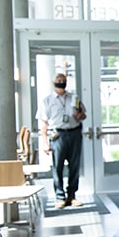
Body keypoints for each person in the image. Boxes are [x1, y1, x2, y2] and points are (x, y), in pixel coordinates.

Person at [37, 73, 87, 208]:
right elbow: (44, 124)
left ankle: (72, 195)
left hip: (74, 133)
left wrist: (80, 115)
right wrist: (45, 143)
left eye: (63, 81)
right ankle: (60, 197)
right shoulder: (47, 101)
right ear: (53, 83)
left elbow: (83, 115)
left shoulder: (74, 98)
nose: (61, 83)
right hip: (58, 135)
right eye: (59, 81)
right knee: (57, 167)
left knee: (74, 166)